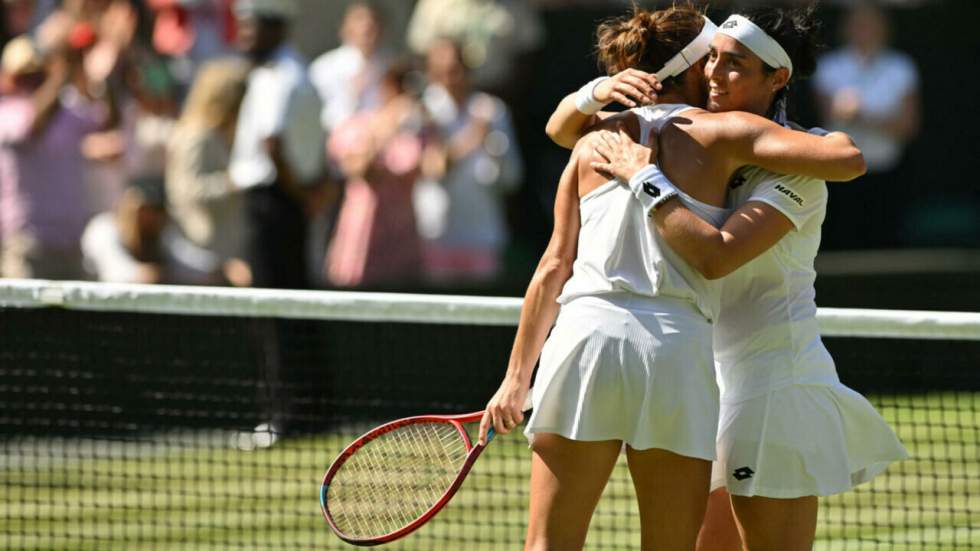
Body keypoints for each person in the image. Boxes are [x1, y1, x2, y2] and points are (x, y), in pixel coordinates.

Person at [478, 5, 873, 550]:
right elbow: (844, 157)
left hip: (638, 351)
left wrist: (516, 377)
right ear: (689, 69)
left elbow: (553, 261)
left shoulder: (592, 142)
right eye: (711, 60)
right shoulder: (725, 133)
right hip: (679, 351)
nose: (714, 74)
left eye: (730, 63)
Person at [229, 0, 326, 290]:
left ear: (275, 29)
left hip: (275, 200)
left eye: (251, 26)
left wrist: (297, 193)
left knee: (271, 296)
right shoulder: (292, 69)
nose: (243, 34)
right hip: (287, 196)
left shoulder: (278, 75)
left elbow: (273, 142)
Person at [415, 37, 523, 288]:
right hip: (435, 235)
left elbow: (512, 178)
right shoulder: (423, 110)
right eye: (440, 72)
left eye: (454, 70)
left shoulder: (492, 110)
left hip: (483, 235)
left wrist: (493, 151)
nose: (449, 79)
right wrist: (473, 138)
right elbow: (433, 169)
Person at [0, 34, 109, 280]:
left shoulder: (66, 111)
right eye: (26, 75)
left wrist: (92, 73)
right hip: (28, 245)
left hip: (72, 245)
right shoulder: (6, 112)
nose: (33, 82)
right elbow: (31, 124)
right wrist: (59, 78)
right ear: (7, 77)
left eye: (38, 74)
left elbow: (107, 120)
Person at [813, 2, 921, 249]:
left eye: (871, 25)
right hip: (841, 177)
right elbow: (828, 117)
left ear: (884, 29)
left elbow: (907, 126)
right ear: (846, 29)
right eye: (858, 25)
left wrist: (861, 114)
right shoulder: (830, 67)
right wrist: (880, 119)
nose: (865, 30)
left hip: (889, 174)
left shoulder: (901, 67)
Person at [324, 62, 437, 290]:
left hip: (401, 240)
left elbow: (433, 169)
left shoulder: (418, 133)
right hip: (360, 238)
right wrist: (387, 127)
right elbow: (360, 171)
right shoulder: (358, 126)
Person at [166, 57, 250, 287]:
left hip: (224, 246)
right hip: (202, 250)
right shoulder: (197, 136)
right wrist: (232, 183)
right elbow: (185, 191)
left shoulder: (224, 135)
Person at [309, 0, 389, 134]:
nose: (367, 26)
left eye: (373, 20)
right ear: (345, 27)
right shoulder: (324, 68)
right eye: (359, 19)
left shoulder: (389, 65)